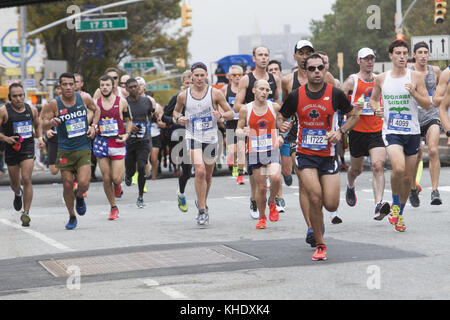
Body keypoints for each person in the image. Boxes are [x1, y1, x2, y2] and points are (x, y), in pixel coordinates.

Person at [279, 53, 361, 261]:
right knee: (314, 197)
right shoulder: (296, 95)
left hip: (328, 155)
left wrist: (341, 131)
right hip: (305, 154)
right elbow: (281, 117)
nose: (316, 71)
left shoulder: (335, 94)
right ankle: (320, 243)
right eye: (312, 68)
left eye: (320, 68)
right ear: (305, 72)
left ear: (325, 70)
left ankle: (319, 221)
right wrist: (283, 125)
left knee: (331, 204)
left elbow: (354, 116)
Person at [370, 40, 431, 232]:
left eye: (405, 53)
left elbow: (428, 104)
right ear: (390, 55)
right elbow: (372, 100)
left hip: (412, 131)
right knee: (398, 168)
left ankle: (399, 211)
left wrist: (414, 93)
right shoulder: (381, 78)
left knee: (407, 178)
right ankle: (395, 203)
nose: (402, 56)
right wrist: (376, 110)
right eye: (398, 53)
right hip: (391, 130)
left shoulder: (416, 77)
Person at [173, 62, 234, 226]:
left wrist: (220, 115)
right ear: (191, 76)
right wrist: (179, 118)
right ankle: (202, 210)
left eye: (202, 75)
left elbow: (230, 112)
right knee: (199, 171)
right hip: (193, 136)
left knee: (207, 175)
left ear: (206, 75)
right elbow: (175, 112)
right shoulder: (183, 95)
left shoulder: (215, 93)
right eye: (196, 75)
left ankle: (203, 203)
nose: (199, 78)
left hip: (211, 137)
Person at [41, 73, 100, 230]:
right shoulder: (54, 104)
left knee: (84, 183)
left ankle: (80, 196)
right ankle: (72, 215)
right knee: (67, 185)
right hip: (65, 149)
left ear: (75, 85)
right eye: (64, 84)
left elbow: (97, 110)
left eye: (70, 84)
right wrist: (51, 123)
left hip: (83, 147)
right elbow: (42, 123)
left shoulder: (84, 98)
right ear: (59, 87)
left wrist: (93, 126)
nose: (68, 87)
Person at [341, 48, 390, 220]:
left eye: (371, 58)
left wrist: (381, 110)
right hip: (357, 132)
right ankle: (350, 184)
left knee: (378, 165)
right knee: (356, 169)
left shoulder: (380, 80)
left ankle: (378, 204)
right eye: (365, 59)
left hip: (376, 130)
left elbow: (388, 100)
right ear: (358, 61)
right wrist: (351, 109)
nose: (369, 62)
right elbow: (339, 101)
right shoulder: (352, 81)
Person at [234, 46, 282, 219]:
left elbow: (278, 101)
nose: (263, 58)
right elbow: (237, 105)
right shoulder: (246, 79)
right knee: (255, 175)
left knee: (273, 173)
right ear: (254, 58)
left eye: (266, 55)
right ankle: (254, 200)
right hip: (250, 127)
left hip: (269, 127)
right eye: (260, 55)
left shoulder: (274, 78)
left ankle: (272, 199)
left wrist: (269, 109)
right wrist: (251, 109)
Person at [0, 83, 45, 227]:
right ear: (10, 98)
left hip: (27, 148)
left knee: (26, 177)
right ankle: (17, 193)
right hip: (11, 150)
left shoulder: (31, 109)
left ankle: (26, 213)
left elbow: (38, 124)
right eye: (15, 96)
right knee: (15, 184)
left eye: (21, 95)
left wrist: (40, 138)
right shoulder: (4, 111)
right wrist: (6, 138)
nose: (19, 98)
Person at [408, 42, 442, 207]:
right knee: (418, 155)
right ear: (414, 55)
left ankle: (435, 191)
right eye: (419, 52)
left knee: (433, 150)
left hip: (431, 115)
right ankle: (413, 187)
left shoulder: (435, 71)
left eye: (425, 52)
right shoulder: (408, 72)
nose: (423, 55)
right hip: (414, 117)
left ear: (428, 55)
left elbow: (442, 90)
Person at [93, 75, 131, 220]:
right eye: (102, 85)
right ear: (99, 86)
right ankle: (113, 207)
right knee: (106, 177)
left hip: (117, 142)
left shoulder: (121, 102)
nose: (104, 87)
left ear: (113, 86)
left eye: (107, 85)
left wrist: (127, 134)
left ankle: (118, 185)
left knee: (116, 178)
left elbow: (128, 120)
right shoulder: (95, 103)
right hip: (101, 142)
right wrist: (91, 127)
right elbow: (89, 120)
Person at [160, 70, 193, 212]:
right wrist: (177, 119)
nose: (190, 85)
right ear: (183, 83)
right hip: (182, 136)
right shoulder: (178, 98)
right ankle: (181, 193)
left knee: (202, 171)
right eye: (187, 82)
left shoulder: (205, 97)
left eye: (192, 82)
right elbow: (164, 117)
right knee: (187, 172)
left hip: (201, 136)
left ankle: (202, 205)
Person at [125, 78, 154, 208]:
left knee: (142, 166)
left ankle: (140, 197)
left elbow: (150, 115)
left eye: (135, 86)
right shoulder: (124, 103)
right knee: (131, 170)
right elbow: (119, 120)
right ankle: (128, 175)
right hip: (130, 141)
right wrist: (129, 126)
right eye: (130, 87)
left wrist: (146, 126)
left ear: (139, 88)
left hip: (144, 140)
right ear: (126, 89)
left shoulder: (146, 101)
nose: (133, 89)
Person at [221, 65, 244, 182]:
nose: (237, 77)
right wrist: (222, 115)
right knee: (232, 150)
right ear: (230, 76)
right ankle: (234, 165)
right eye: (234, 75)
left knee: (241, 148)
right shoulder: (225, 89)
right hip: (230, 123)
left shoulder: (244, 89)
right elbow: (219, 103)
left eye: (239, 75)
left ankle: (239, 170)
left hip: (242, 122)